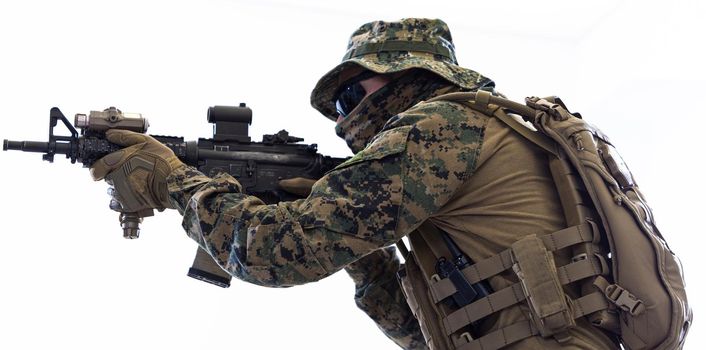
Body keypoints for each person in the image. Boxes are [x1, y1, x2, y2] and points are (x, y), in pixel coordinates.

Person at [90, 18, 619, 349]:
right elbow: (423, 334)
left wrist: (175, 181)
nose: (347, 116)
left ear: (408, 74)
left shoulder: (440, 127)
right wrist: (365, 254)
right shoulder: (501, 130)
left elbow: (271, 254)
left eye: (351, 95)